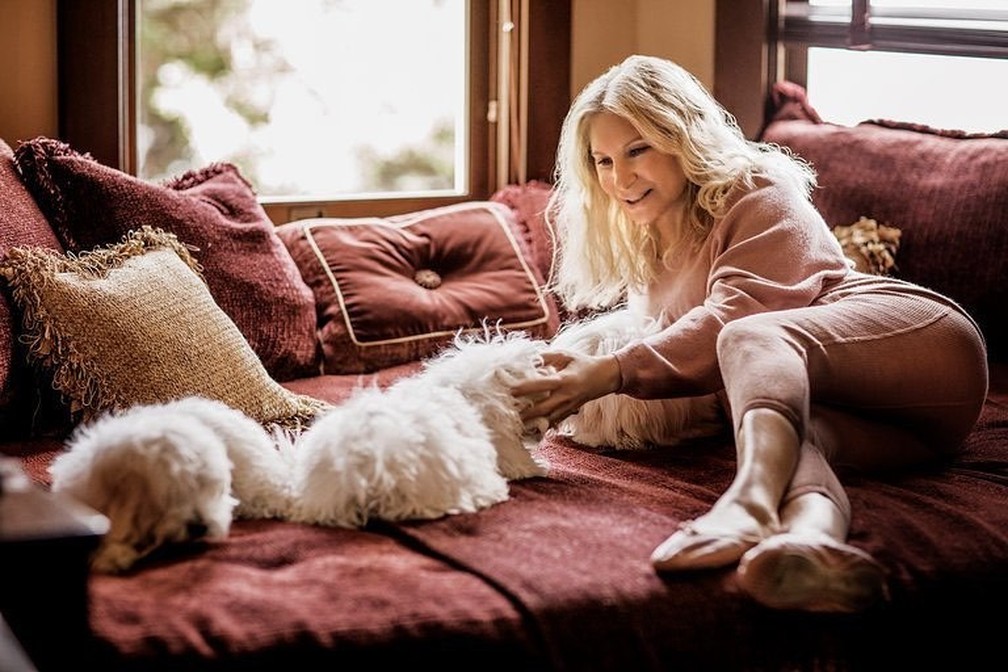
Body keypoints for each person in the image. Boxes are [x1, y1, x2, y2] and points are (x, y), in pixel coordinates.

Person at [511, 54, 989, 613]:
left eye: (637, 149)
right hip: (903, 427)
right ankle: (810, 543)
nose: (620, 179)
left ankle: (748, 504)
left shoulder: (755, 188)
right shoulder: (654, 239)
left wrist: (612, 372)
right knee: (793, 440)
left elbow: (733, 320)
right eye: (603, 162)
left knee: (745, 337)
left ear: (681, 133)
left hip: (922, 346)